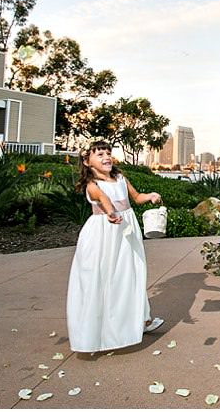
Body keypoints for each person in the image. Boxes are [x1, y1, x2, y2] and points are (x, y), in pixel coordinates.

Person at [66, 141, 165, 352]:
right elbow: (104, 201)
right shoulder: (92, 185)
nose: (106, 157)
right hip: (104, 234)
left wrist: (150, 196)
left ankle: (141, 320)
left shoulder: (120, 178)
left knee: (133, 274)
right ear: (87, 161)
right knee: (105, 278)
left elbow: (136, 198)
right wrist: (111, 213)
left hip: (127, 232)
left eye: (108, 153)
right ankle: (96, 332)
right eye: (99, 154)